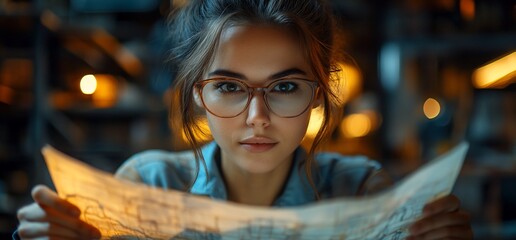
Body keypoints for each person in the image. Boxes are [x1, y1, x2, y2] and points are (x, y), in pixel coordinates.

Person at [15, 0, 473, 239]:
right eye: (230, 87)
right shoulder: (146, 182)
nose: (258, 118)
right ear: (198, 94)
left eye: (286, 87)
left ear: (319, 94)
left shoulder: (359, 188)